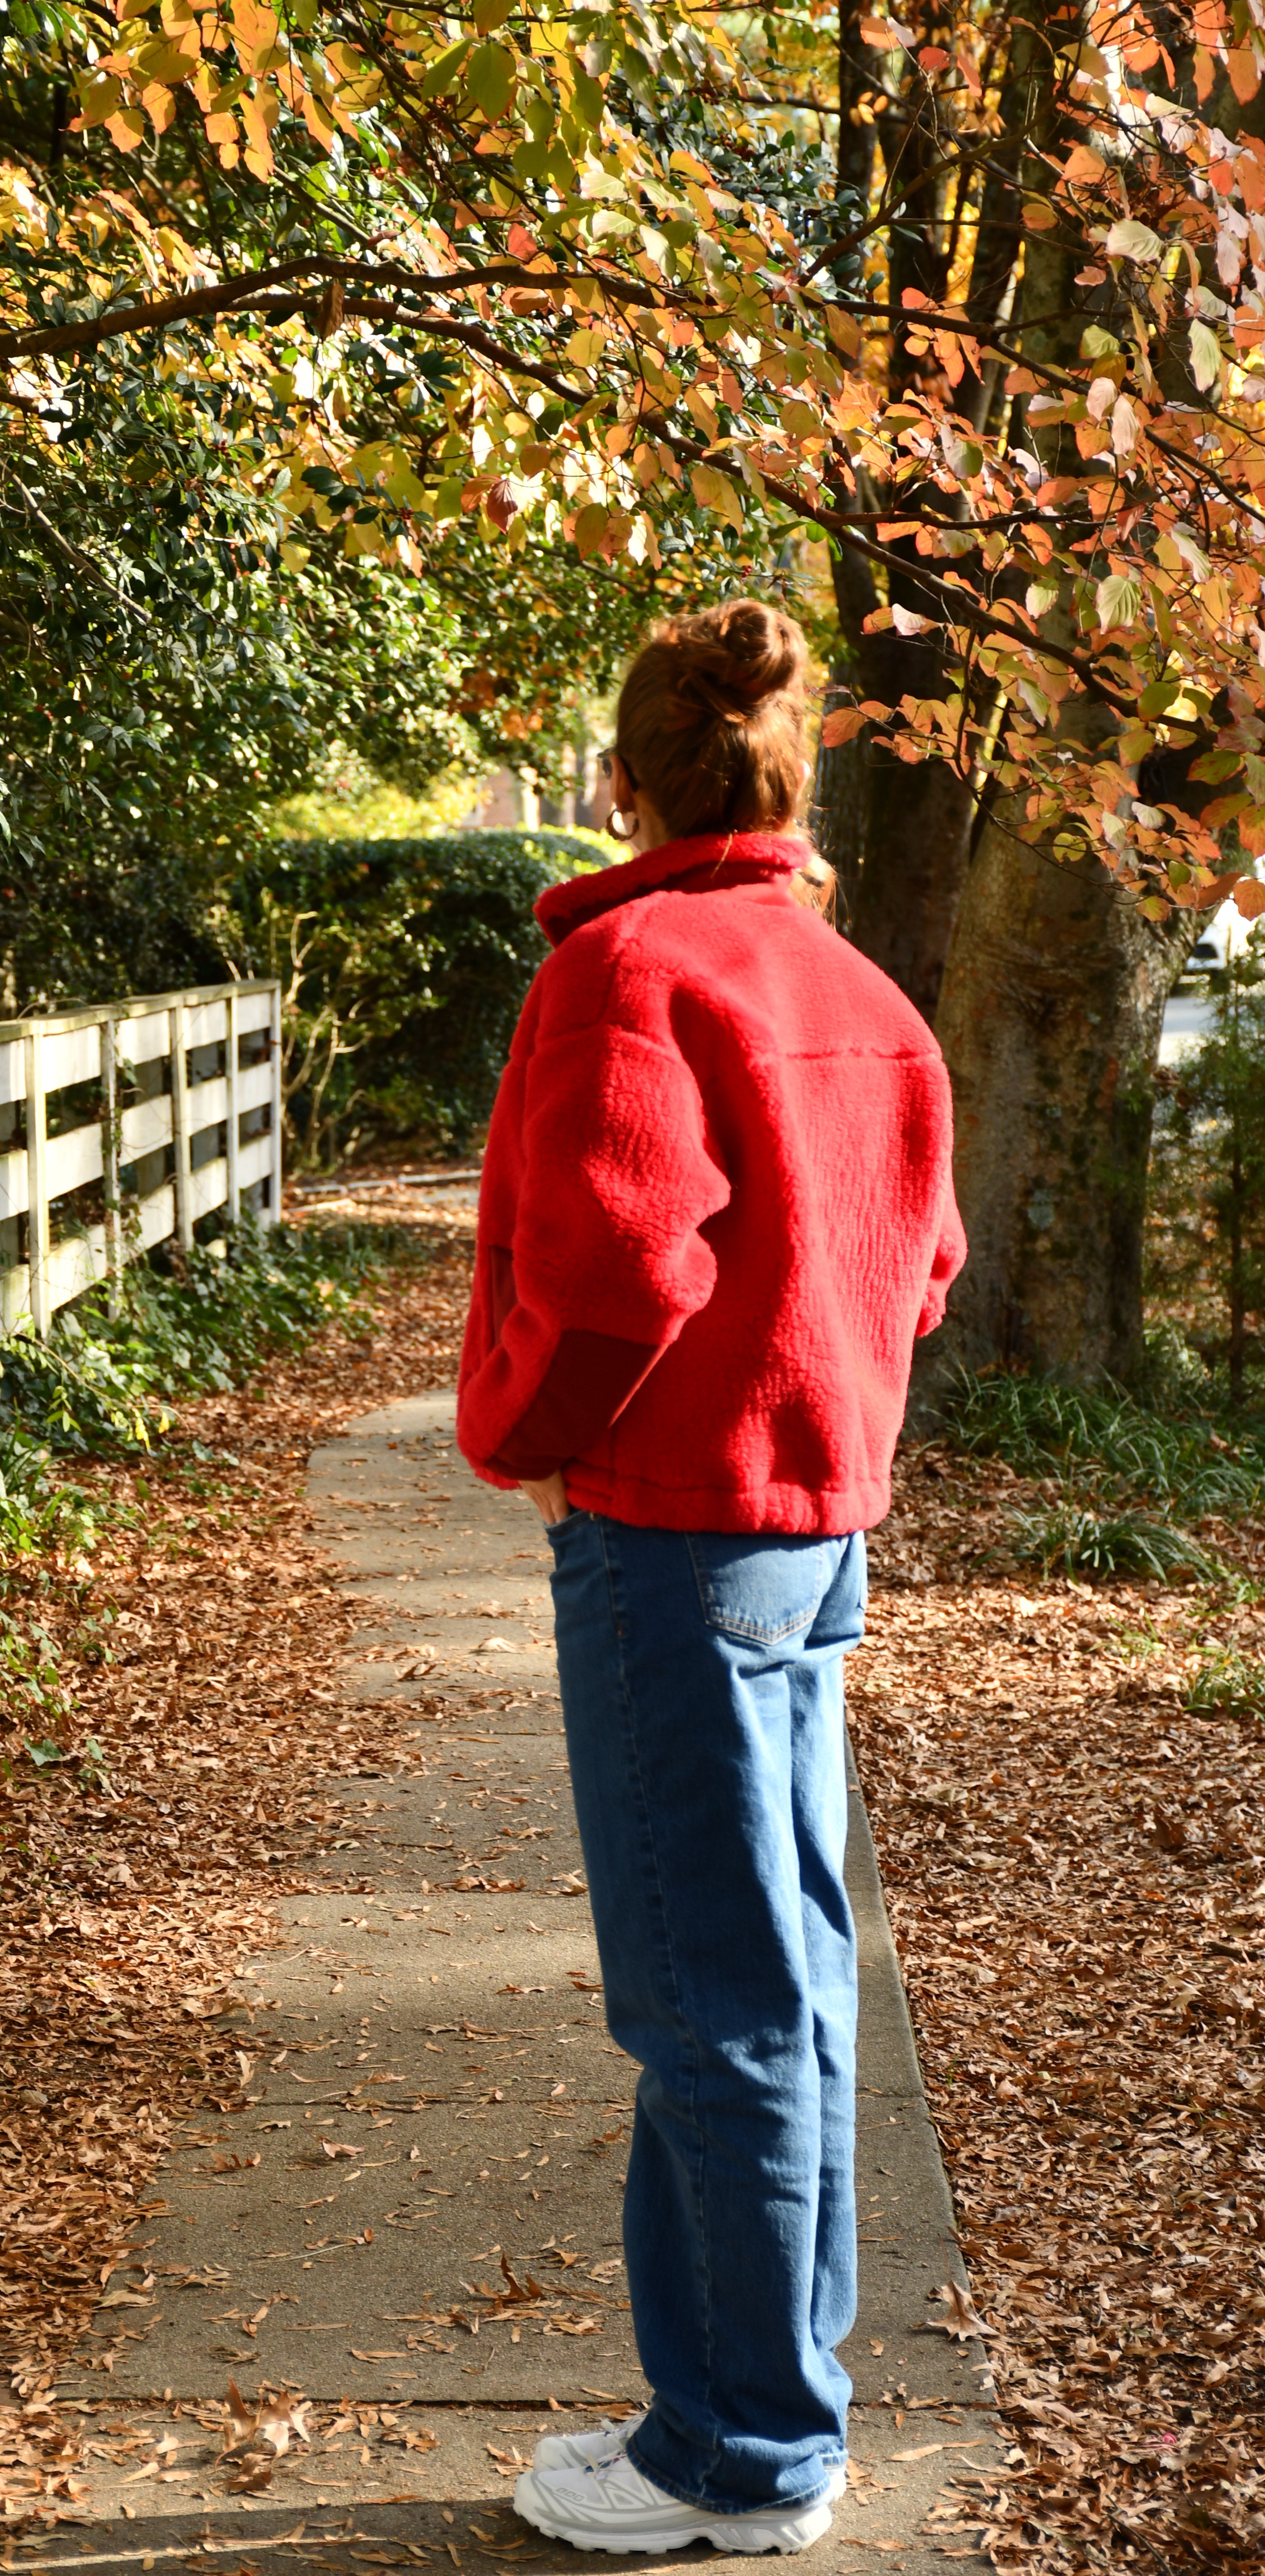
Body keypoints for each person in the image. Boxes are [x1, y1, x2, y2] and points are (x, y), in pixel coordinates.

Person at [456, 600, 964, 2557]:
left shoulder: (630, 972)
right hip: (805, 1529)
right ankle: (768, 2413)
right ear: (786, 773)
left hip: (673, 1535)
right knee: (788, 1977)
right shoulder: (858, 990)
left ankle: (739, 2452)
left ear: (623, 778)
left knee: (711, 1996)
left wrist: (514, 1433)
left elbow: (609, 1273)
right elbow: (917, 1264)